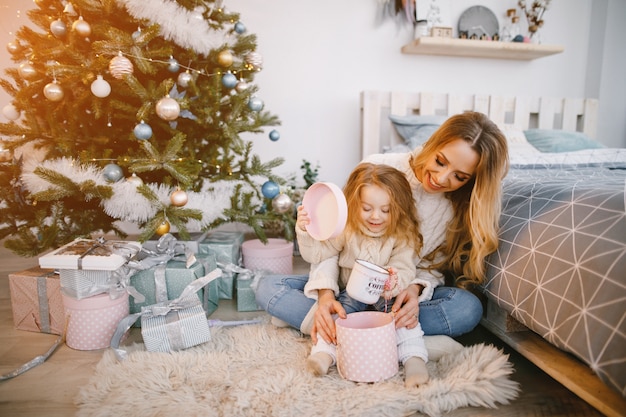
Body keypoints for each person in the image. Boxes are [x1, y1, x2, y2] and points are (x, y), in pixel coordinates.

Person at [255, 111, 509, 362]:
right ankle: (403, 341)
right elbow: (334, 243)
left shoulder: (458, 206)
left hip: (393, 295)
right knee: (268, 287)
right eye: (440, 161)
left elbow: (432, 265)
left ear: (472, 180)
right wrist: (325, 297)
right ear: (434, 144)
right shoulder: (378, 167)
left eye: (460, 176)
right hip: (346, 289)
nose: (442, 178)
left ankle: (327, 329)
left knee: (467, 308)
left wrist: (415, 289)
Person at [297, 162, 429, 387]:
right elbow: (317, 254)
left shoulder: (402, 234)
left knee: (405, 322)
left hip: (385, 296)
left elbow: (405, 267)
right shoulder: (347, 228)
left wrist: (393, 280)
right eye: (367, 208)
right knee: (335, 320)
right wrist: (305, 229)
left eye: (386, 210)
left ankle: (414, 361)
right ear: (354, 204)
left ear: (399, 209)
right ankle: (323, 355)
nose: (376, 216)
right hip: (351, 295)